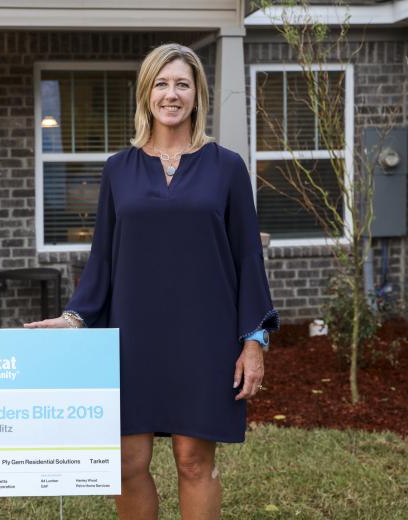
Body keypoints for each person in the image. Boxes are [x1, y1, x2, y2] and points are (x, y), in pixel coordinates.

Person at [24, 43, 279, 520]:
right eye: (161, 83)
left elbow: (248, 258)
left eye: (182, 83)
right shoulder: (119, 169)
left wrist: (254, 341)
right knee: (126, 463)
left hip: (204, 336)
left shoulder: (226, 167)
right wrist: (75, 317)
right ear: (146, 94)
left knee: (193, 461)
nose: (172, 94)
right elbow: (103, 255)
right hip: (132, 337)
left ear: (197, 94)